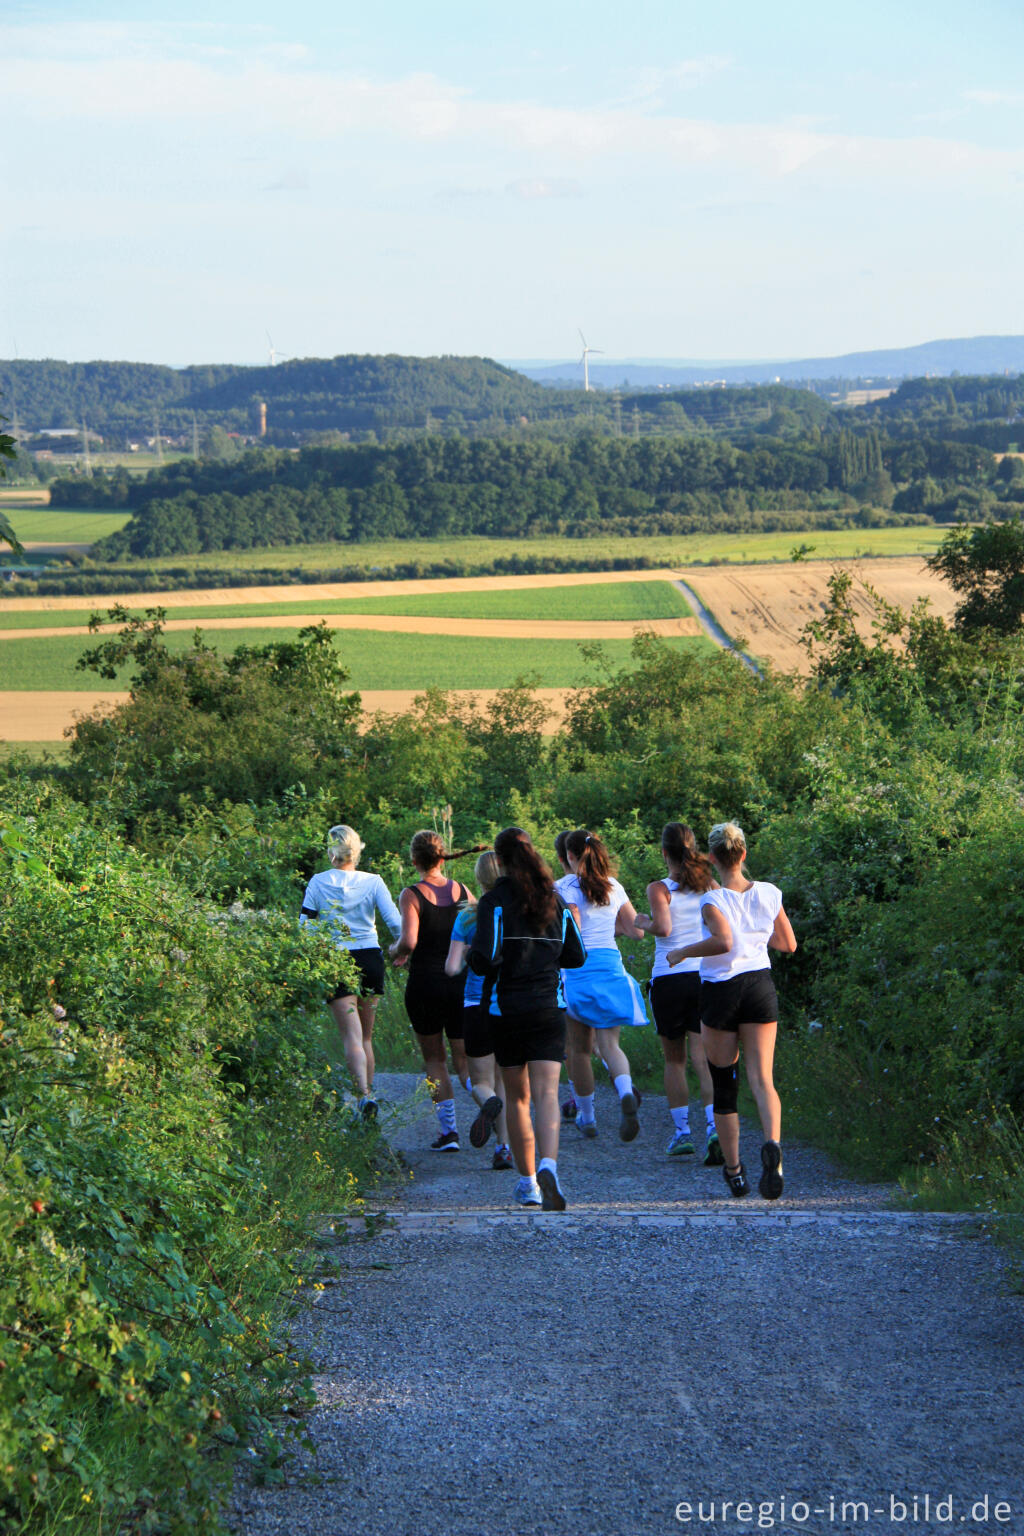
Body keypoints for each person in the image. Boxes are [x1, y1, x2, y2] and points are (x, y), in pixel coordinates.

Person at [667, 821, 797, 1200]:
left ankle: (735, 1170)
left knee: (725, 1085)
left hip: (722, 991)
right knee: (763, 1080)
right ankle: (773, 1147)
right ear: (743, 853)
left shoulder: (713, 899)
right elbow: (787, 944)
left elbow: (723, 942)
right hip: (759, 986)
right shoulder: (770, 893)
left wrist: (683, 951)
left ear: (712, 857)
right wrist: (758, 931)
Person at [469, 826, 586, 1210]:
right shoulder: (555, 901)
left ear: (499, 860)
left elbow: (484, 958)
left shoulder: (494, 902)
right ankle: (550, 1164)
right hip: (549, 1008)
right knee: (548, 1094)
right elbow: (577, 956)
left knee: (518, 1099)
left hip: (507, 1010)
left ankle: (529, 1183)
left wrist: (472, 958)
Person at [635, 823, 723, 1165]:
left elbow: (664, 928)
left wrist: (643, 923)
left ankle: (682, 1133)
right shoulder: (708, 884)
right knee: (704, 1059)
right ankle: (714, 1127)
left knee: (675, 1060)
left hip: (669, 977)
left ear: (664, 853)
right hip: (703, 975)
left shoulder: (660, 888)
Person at [300, 824, 401, 1120]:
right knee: (366, 1038)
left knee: (351, 1038)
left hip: (336, 959)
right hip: (370, 957)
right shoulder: (374, 881)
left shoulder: (318, 882)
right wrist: (402, 948)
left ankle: (363, 1099)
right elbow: (395, 923)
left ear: (331, 851)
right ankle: (368, 1096)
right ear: (357, 850)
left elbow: (304, 926)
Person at [555, 830, 647, 1142]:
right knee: (610, 1045)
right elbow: (637, 933)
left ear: (569, 856)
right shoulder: (614, 886)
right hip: (612, 966)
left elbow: (573, 921)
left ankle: (588, 1116)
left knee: (578, 1049)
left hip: (579, 968)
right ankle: (625, 1091)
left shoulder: (563, 885)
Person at [391, 830, 473, 1151]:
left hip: (425, 984)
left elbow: (409, 941)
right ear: (443, 857)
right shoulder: (464, 891)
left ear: (415, 861)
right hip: (459, 983)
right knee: (464, 1060)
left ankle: (449, 1131)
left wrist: (394, 950)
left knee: (434, 1060)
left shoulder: (411, 895)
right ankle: (490, 1107)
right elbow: (478, 930)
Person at [445, 850, 514, 1171]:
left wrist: (471, 951)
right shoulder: (518, 911)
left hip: (476, 1003)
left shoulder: (468, 917)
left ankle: (489, 1106)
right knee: (504, 1080)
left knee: (481, 1081)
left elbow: (451, 967)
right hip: (511, 1005)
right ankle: (503, 1148)